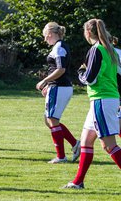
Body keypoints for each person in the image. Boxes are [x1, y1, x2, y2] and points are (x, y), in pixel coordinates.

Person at [64, 19, 121, 189]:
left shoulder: (96, 50)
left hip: (102, 99)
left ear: (88, 33)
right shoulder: (110, 49)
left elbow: (89, 78)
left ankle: (78, 182)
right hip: (105, 99)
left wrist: (81, 72)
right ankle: (78, 182)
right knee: (86, 141)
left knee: (109, 145)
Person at [36, 22, 80, 164]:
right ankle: (75, 144)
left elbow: (61, 70)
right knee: (49, 120)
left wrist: (45, 81)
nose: (44, 40)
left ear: (49, 34)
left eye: (45, 36)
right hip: (58, 87)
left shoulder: (59, 47)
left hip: (60, 87)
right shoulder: (58, 46)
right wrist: (49, 84)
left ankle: (61, 156)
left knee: (52, 120)